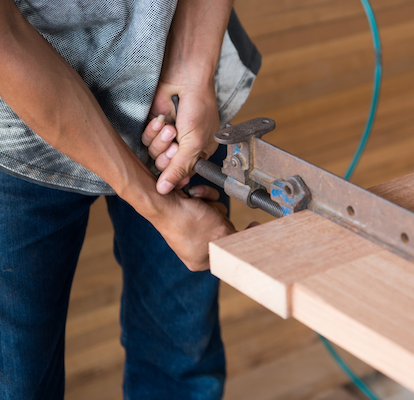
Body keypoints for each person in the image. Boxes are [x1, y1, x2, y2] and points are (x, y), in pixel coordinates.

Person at [0, 1, 261, 398]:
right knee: (17, 382)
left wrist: (192, 67)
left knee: (181, 360)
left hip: (181, 96)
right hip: (21, 127)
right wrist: (160, 209)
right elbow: (6, 40)